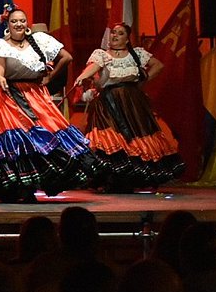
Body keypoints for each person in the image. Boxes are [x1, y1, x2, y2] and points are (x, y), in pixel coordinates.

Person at [0, 6, 98, 202]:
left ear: (27, 24)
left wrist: (50, 77)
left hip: (35, 94)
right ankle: (20, 188)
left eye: (22, 20)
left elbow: (67, 57)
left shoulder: (39, 41)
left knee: (44, 135)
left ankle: (35, 184)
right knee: (18, 140)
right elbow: (0, 67)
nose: (19, 24)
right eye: (14, 21)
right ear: (8, 24)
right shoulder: (0, 45)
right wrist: (1, 78)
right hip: (8, 96)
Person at [72, 21, 185, 191]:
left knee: (134, 136)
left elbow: (158, 65)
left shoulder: (136, 54)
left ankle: (132, 178)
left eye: (120, 33)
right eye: (113, 32)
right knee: (110, 136)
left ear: (127, 39)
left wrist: (142, 80)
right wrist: (82, 77)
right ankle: (112, 178)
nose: (115, 36)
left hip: (131, 102)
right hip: (109, 102)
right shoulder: (102, 54)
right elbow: (94, 67)